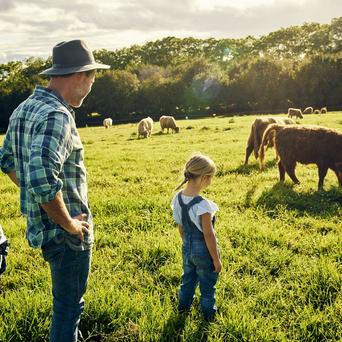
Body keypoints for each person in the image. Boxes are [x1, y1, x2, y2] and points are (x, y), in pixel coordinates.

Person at [0, 39, 110, 341]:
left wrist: (38, 197)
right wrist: (70, 223)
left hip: (44, 229)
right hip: (66, 235)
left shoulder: (25, 108)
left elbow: (6, 159)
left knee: (65, 304)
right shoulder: (57, 116)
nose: (90, 86)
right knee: (68, 309)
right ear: (80, 75)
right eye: (91, 78)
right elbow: (41, 178)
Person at [171, 153, 222, 322]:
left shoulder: (177, 198)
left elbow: (181, 226)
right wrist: (216, 259)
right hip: (204, 251)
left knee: (188, 281)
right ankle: (209, 317)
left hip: (187, 247)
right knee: (207, 286)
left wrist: (186, 244)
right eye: (211, 178)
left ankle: (182, 309)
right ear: (205, 178)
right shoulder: (203, 205)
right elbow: (208, 234)